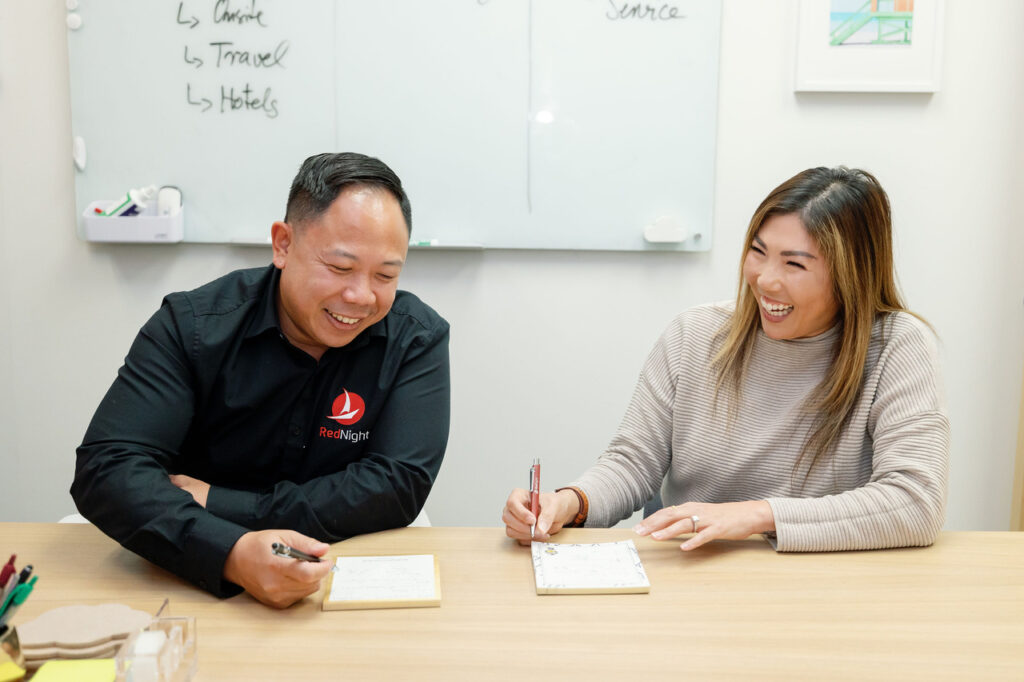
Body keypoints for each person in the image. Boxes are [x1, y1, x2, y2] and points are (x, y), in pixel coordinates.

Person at [502, 166, 949, 552]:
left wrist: (756, 516)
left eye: (794, 265)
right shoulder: (694, 334)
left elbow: (916, 502)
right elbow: (633, 463)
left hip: (821, 589)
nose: (765, 280)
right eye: (758, 252)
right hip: (692, 575)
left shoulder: (897, 347)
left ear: (851, 275)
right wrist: (569, 503)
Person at [73, 152, 450, 608]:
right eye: (340, 267)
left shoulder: (415, 338)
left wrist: (221, 502)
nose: (361, 297)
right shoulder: (193, 326)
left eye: (386, 275)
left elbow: (397, 485)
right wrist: (230, 553)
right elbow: (108, 468)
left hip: (344, 577)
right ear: (283, 244)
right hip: (190, 575)